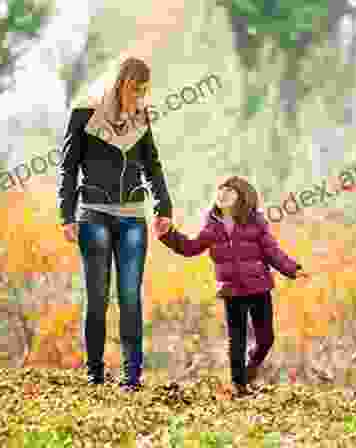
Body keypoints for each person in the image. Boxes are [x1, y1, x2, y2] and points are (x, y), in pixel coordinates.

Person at [57, 57, 173, 389]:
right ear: (121, 82)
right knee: (97, 296)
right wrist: (66, 214)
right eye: (135, 88)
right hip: (92, 213)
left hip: (133, 217)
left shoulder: (141, 117)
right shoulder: (84, 114)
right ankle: (94, 373)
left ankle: (131, 378)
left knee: (129, 297)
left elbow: (152, 164)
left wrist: (164, 206)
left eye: (143, 91)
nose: (138, 96)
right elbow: (68, 166)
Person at [154, 176, 310, 396]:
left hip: (259, 287)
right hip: (232, 290)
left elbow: (272, 251)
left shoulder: (256, 222)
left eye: (229, 191)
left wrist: (293, 269)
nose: (223, 194)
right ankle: (239, 385)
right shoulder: (212, 226)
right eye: (221, 190)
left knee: (266, 339)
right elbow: (190, 247)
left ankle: (250, 369)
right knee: (236, 340)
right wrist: (169, 235)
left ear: (242, 197)